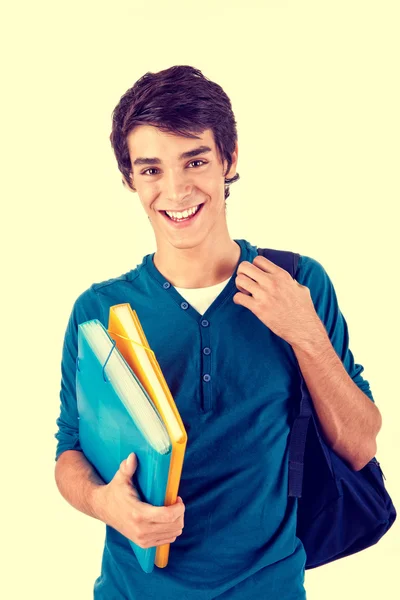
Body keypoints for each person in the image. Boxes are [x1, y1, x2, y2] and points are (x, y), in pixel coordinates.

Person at [54, 65, 382, 600]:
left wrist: (306, 334)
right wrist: (103, 503)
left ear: (229, 160)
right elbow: (70, 451)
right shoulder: (99, 310)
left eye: (196, 161)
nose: (176, 190)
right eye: (151, 169)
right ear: (130, 179)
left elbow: (360, 444)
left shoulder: (297, 283)